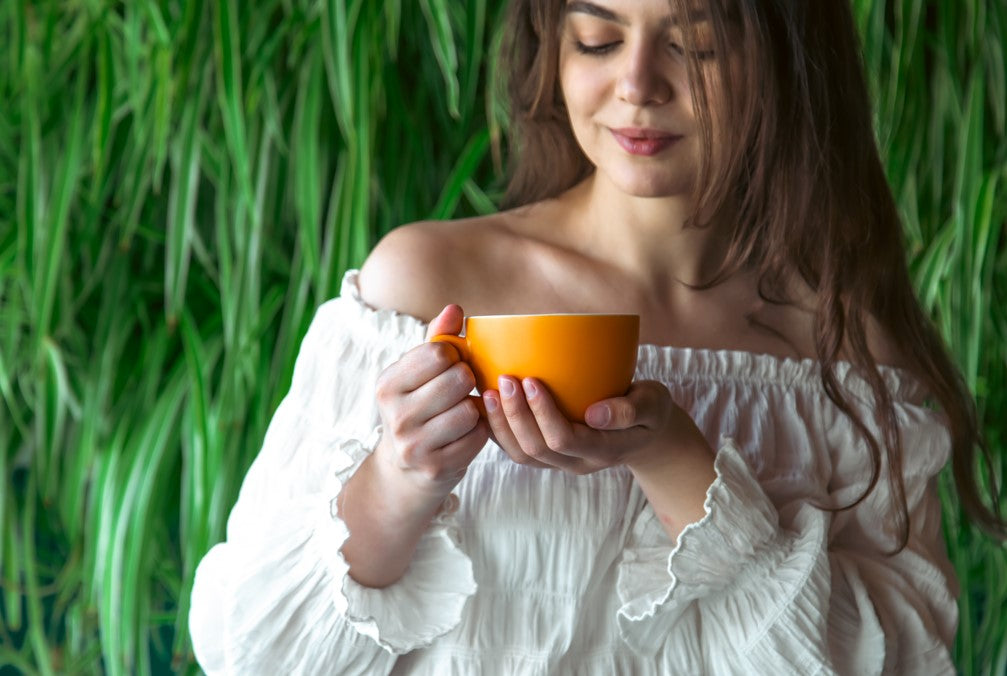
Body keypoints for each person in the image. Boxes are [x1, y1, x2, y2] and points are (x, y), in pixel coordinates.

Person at [188, 0, 1004, 673]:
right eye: (598, 39)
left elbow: (897, 662)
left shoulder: (843, 357)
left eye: (697, 47)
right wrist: (398, 477)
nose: (637, 85)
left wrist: (675, 460)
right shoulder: (424, 285)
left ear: (788, 64)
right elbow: (249, 652)